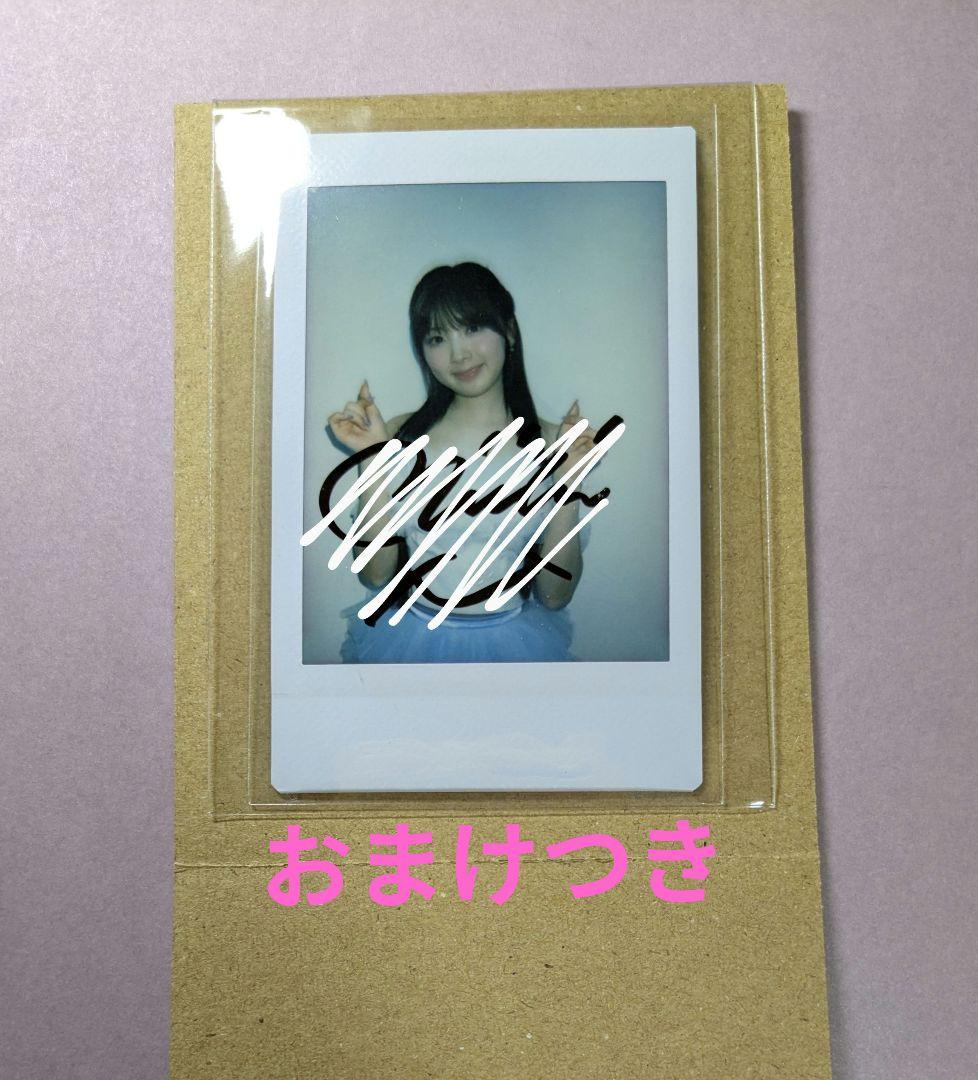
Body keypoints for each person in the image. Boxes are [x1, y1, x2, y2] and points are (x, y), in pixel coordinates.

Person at [325, 262, 602, 664]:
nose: (458, 354)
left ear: (508, 331)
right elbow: (375, 575)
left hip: (515, 648)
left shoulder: (556, 443)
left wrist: (568, 482)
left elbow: (555, 597)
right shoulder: (399, 434)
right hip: (411, 642)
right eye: (438, 338)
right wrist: (371, 460)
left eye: (472, 328)